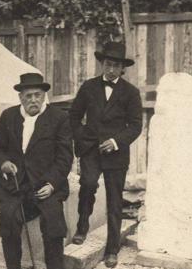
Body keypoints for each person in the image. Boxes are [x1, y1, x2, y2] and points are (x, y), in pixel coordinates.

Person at [69, 42, 143, 268]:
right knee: (88, 185)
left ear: (122, 68)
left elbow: (136, 126)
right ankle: (82, 226)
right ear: (102, 64)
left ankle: (112, 249)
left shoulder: (131, 92)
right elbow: (73, 117)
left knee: (114, 200)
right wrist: (83, 139)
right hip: (91, 149)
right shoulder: (89, 87)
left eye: (116, 66)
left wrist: (115, 142)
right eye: (108, 64)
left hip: (116, 155)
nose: (111, 69)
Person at [0, 73, 73, 269]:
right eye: (28, 96)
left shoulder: (59, 118)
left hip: (46, 185)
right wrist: (3, 163)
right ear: (20, 97)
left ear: (44, 96)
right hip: (15, 185)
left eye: (37, 95)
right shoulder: (8, 116)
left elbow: (65, 157)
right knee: (8, 219)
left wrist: (52, 184)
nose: (33, 100)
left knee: (54, 222)